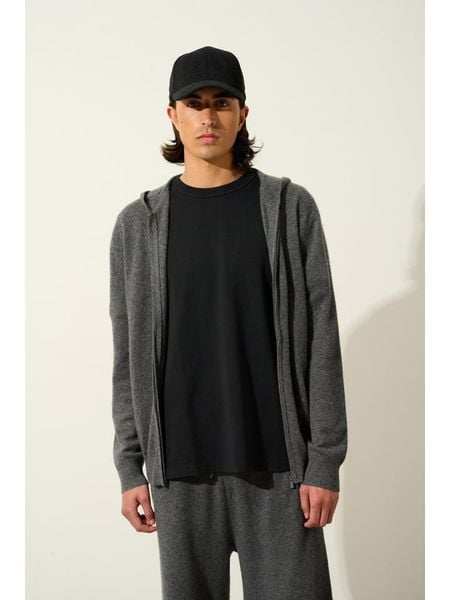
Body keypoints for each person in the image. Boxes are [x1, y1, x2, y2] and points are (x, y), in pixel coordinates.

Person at [109, 45, 348, 600]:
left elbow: (323, 339)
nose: (208, 116)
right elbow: (128, 354)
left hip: (280, 469)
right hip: (180, 473)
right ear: (173, 115)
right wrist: (130, 466)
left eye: (222, 102)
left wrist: (324, 461)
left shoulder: (289, 207)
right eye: (194, 103)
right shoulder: (138, 225)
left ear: (243, 113)